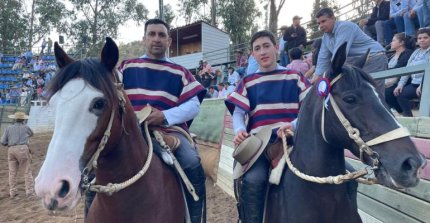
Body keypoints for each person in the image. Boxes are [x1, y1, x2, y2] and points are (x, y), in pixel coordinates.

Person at [118, 19, 206, 223]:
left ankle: (194, 219)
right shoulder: (126, 67)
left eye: (161, 35)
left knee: (192, 163)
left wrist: (164, 116)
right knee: (96, 167)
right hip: (130, 132)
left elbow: (194, 106)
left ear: (169, 41)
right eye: (152, 34)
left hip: (169, 131)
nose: (156, 39)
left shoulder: (181, 72)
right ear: (144, 39)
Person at [225, 30, 310, 223]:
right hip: (260, 145)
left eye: (266, 46)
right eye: (257, 49)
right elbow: (239, 112)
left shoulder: (295, 76)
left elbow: (309, 108)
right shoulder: (247, 81)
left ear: (276, 48)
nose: (262, 52)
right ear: (252, 55)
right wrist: (239, 130)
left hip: (294, 139)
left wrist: (294, 125)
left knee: (342, 171)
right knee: (254, 181)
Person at [313, 7, 388, 96]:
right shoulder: (325, 37)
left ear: (333, 18)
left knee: (374, 95)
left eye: (323, 21)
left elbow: (338, 55)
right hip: (358, 62)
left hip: (374, 58)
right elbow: (323, 59)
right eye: (319, 23)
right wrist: (315, 79)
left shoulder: (345, 27)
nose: (321, 25)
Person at [393, 28, 430, 116]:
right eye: (419, 38)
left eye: (425, 37)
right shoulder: (416, 52)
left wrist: (422, 85)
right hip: (414, 84)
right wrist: (400, 84)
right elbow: (407, 69)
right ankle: (409, 117)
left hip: (427, 83)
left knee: (424, 94)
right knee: (400, 94)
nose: (422, 40)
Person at [1, 112, 34, 198]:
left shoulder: (9, 128)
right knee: (27, 171)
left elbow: (2, 141)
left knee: (12, 172)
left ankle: (13, 192)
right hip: (23, 149)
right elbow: (31, 134)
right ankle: (29, 192)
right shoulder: (26, 127)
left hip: (11, 149)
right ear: (23, 119)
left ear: (14, 119)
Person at [385, 33, 414, 114]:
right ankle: (396, 110)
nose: (391, 43)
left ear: (401, 43)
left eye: (393, 40)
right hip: (391, 78)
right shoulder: (391, 55)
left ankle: (401, 111)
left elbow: (399, 68)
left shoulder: (408, 53)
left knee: (387, 92)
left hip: (403, 80)